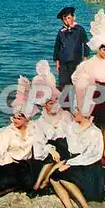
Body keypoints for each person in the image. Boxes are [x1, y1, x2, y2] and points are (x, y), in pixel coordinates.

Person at [0, 75, 39, 206]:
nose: (15, 120)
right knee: (9, 179)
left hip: (24, 165)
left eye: (19, 118)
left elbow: (43, 141)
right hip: (5, 165)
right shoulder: (7, 132)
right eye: (14, 117)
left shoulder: (34, 129)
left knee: (27, 182)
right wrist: (8, 160)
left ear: (26, 119)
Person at [71, 9, 105, 166]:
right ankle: (93, 150)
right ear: (97, 49)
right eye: (102, 49)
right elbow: (76, 77)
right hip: (94, 94)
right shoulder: (88, 63)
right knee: (92, 123)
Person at [49, 110, 105, 208]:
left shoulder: (95, 131)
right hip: (75, 162)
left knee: (62, 175)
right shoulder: (71, 127)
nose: (74, 113)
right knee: (54, 177)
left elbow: (92, 155)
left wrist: (70, 163)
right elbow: (53, 136)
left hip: (89, 166)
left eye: (77, 111)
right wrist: (50, 148)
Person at [27, 60, 75, 198]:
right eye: (49, 102)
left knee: (61, 155)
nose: (53, 104)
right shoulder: (41, 121)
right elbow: (39, 141)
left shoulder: (66, 116)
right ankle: (39, 185)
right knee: (52, 156)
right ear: (44, 105)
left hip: (67, 146)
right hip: (51, 148)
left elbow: (73, 133)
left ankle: (42, 184)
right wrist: (50, 149)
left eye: (55, 101)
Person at [53, 7, 90, 90]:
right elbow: (57, 47)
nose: (67, 21)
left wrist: (85, 59)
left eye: (69, 18)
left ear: (73, 17)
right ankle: (65, 101)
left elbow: (86, 44)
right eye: (64, 19)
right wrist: (57, 62)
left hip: (76, 61)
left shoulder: (80, 29)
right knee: (63, 84)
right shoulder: (61, 31)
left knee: (76, 83)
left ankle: (77, 101)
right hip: (63, 63)